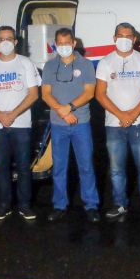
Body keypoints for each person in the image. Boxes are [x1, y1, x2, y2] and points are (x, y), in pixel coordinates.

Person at [95, 22, 140, 220]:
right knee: (116, 168)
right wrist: (121, 115)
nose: (124, 39)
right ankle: (119, 203)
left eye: (128, 36)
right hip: (114, 124)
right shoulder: (105, 62)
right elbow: (100, 94)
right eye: (120, 35)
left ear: (134, 39)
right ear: (114, 38)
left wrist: (132, 114)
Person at [0, 26, 42, 221]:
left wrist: (13, 114)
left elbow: (34, 94)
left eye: (9, 38)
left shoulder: (25, 63)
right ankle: (3, 205)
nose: (5, 42)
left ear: (15, 42)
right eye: (1, 39)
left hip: (21, 124)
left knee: (23, 167)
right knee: (2, 167)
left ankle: (24, 205)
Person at [41, 28, 101, 223]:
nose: (64, 47)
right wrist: (61, 111)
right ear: (55, 45)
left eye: (67, 43)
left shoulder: (85, 64)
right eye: (60, 43)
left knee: (86, 166)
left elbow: (89, 92)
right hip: (58, 124)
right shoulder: (50, 66)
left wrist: (69, 107)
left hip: (81, 123)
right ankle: (59, 205)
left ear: (74, 44)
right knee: (59, 167)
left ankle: (91, 205)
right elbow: (45, 94)